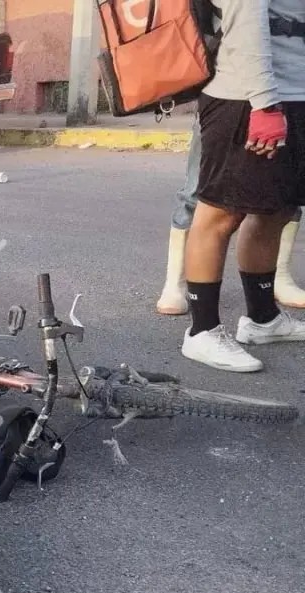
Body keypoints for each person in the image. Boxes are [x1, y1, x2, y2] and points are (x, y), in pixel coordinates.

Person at [178, 0, 305, 372]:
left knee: (277, 210)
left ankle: (262, 320)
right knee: (220, 212)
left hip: (295, 93)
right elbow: (247, 21)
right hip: (247, 97)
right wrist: (265, 105)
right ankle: (202, 331)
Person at [156, 119, 303, 315]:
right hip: (226, 99)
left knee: (286, 190)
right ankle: (176, 283)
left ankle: (278, 277)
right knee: (200, 189)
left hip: (288, 98)